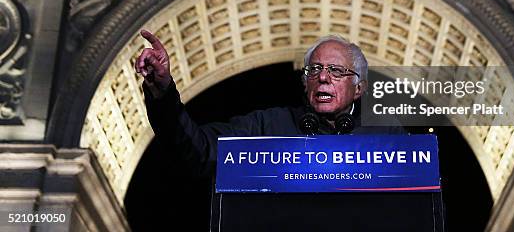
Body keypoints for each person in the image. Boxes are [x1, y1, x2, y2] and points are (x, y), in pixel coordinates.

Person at [136, 30, 403, 177]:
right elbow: (199, 149)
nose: (323, 77)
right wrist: (163, 92)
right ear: (304, 82)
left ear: (359, 88)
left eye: (336, 71)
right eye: (314, 70)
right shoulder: (268, 125)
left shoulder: (388, 134)